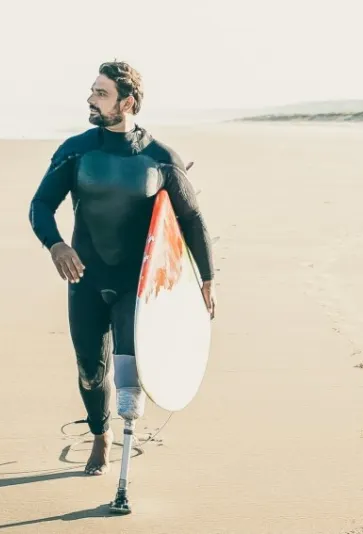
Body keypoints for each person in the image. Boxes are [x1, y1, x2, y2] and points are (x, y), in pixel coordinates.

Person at [28, 60, 216, 476]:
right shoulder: (76, 149)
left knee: (129, 374)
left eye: (101, 93)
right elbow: (41, 204)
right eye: (92, 91)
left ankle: (125, 453)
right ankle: (100, 433)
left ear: (127, 102)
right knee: (90, 372)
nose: (91, 99)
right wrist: (56, 245)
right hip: (86, 279)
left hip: (137, 286)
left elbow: (192, 220)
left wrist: (206, 279)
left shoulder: (160, 158)